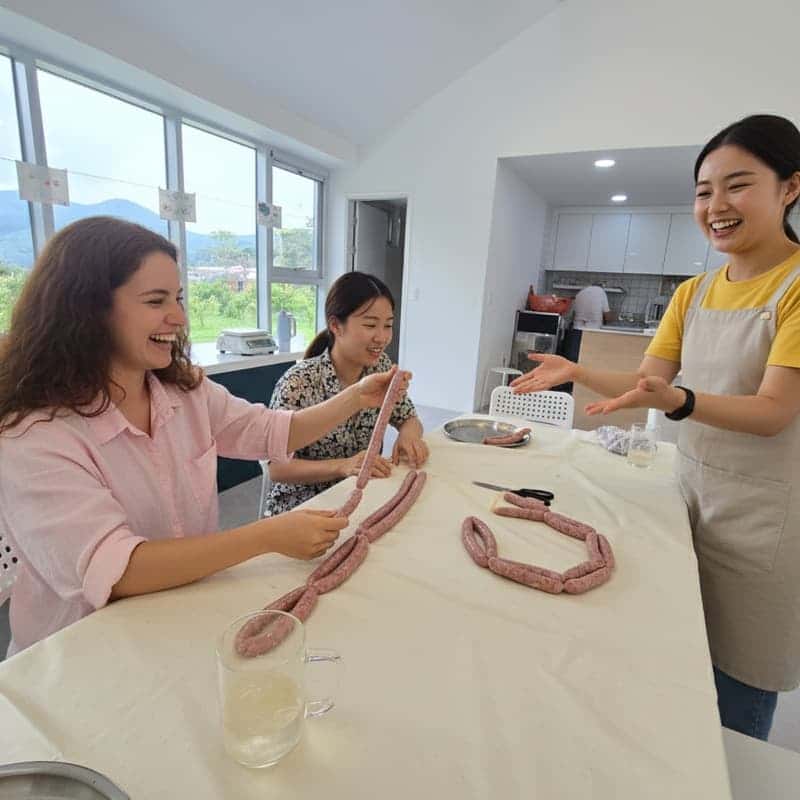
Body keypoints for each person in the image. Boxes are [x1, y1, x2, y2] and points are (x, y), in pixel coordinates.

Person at [511, 114, 800, 741]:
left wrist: (680, 400)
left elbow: (775, 409)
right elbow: (649, 385)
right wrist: (577, 371)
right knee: (674, 649)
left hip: (763, 514)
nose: (716, 206)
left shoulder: (796, 287)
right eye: (703, 191)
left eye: (738, 185)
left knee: (740, 671)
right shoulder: (693, 293)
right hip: (686, 493)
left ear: (790, 188)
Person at [0, 218, 410, 655]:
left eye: (177, 298)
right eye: (156, 301)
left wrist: (355, 397)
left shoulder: (182, 390)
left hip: (180, 612)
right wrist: (265, 536)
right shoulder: (34, 434)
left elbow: (270, 429)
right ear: (87, 310)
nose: (179, 317)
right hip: (80, 649)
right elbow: (118, 571)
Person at [265, 271, 428, 516]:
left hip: (359, 495)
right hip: (303, 507)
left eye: (388, 325)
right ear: (335, 325)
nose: (382, 337)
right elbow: (277, 468)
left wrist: (409, 436)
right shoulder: (299, 383)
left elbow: (407, 417)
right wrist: (343, 466)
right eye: (371, 325)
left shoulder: (381, 367)